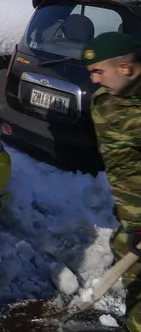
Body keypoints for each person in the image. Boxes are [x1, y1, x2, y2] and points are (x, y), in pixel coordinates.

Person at [84, 32, 141, 332]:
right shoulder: (106, 102)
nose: (93, 81)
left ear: (125, 69)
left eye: (98, 72)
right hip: (131, 219)